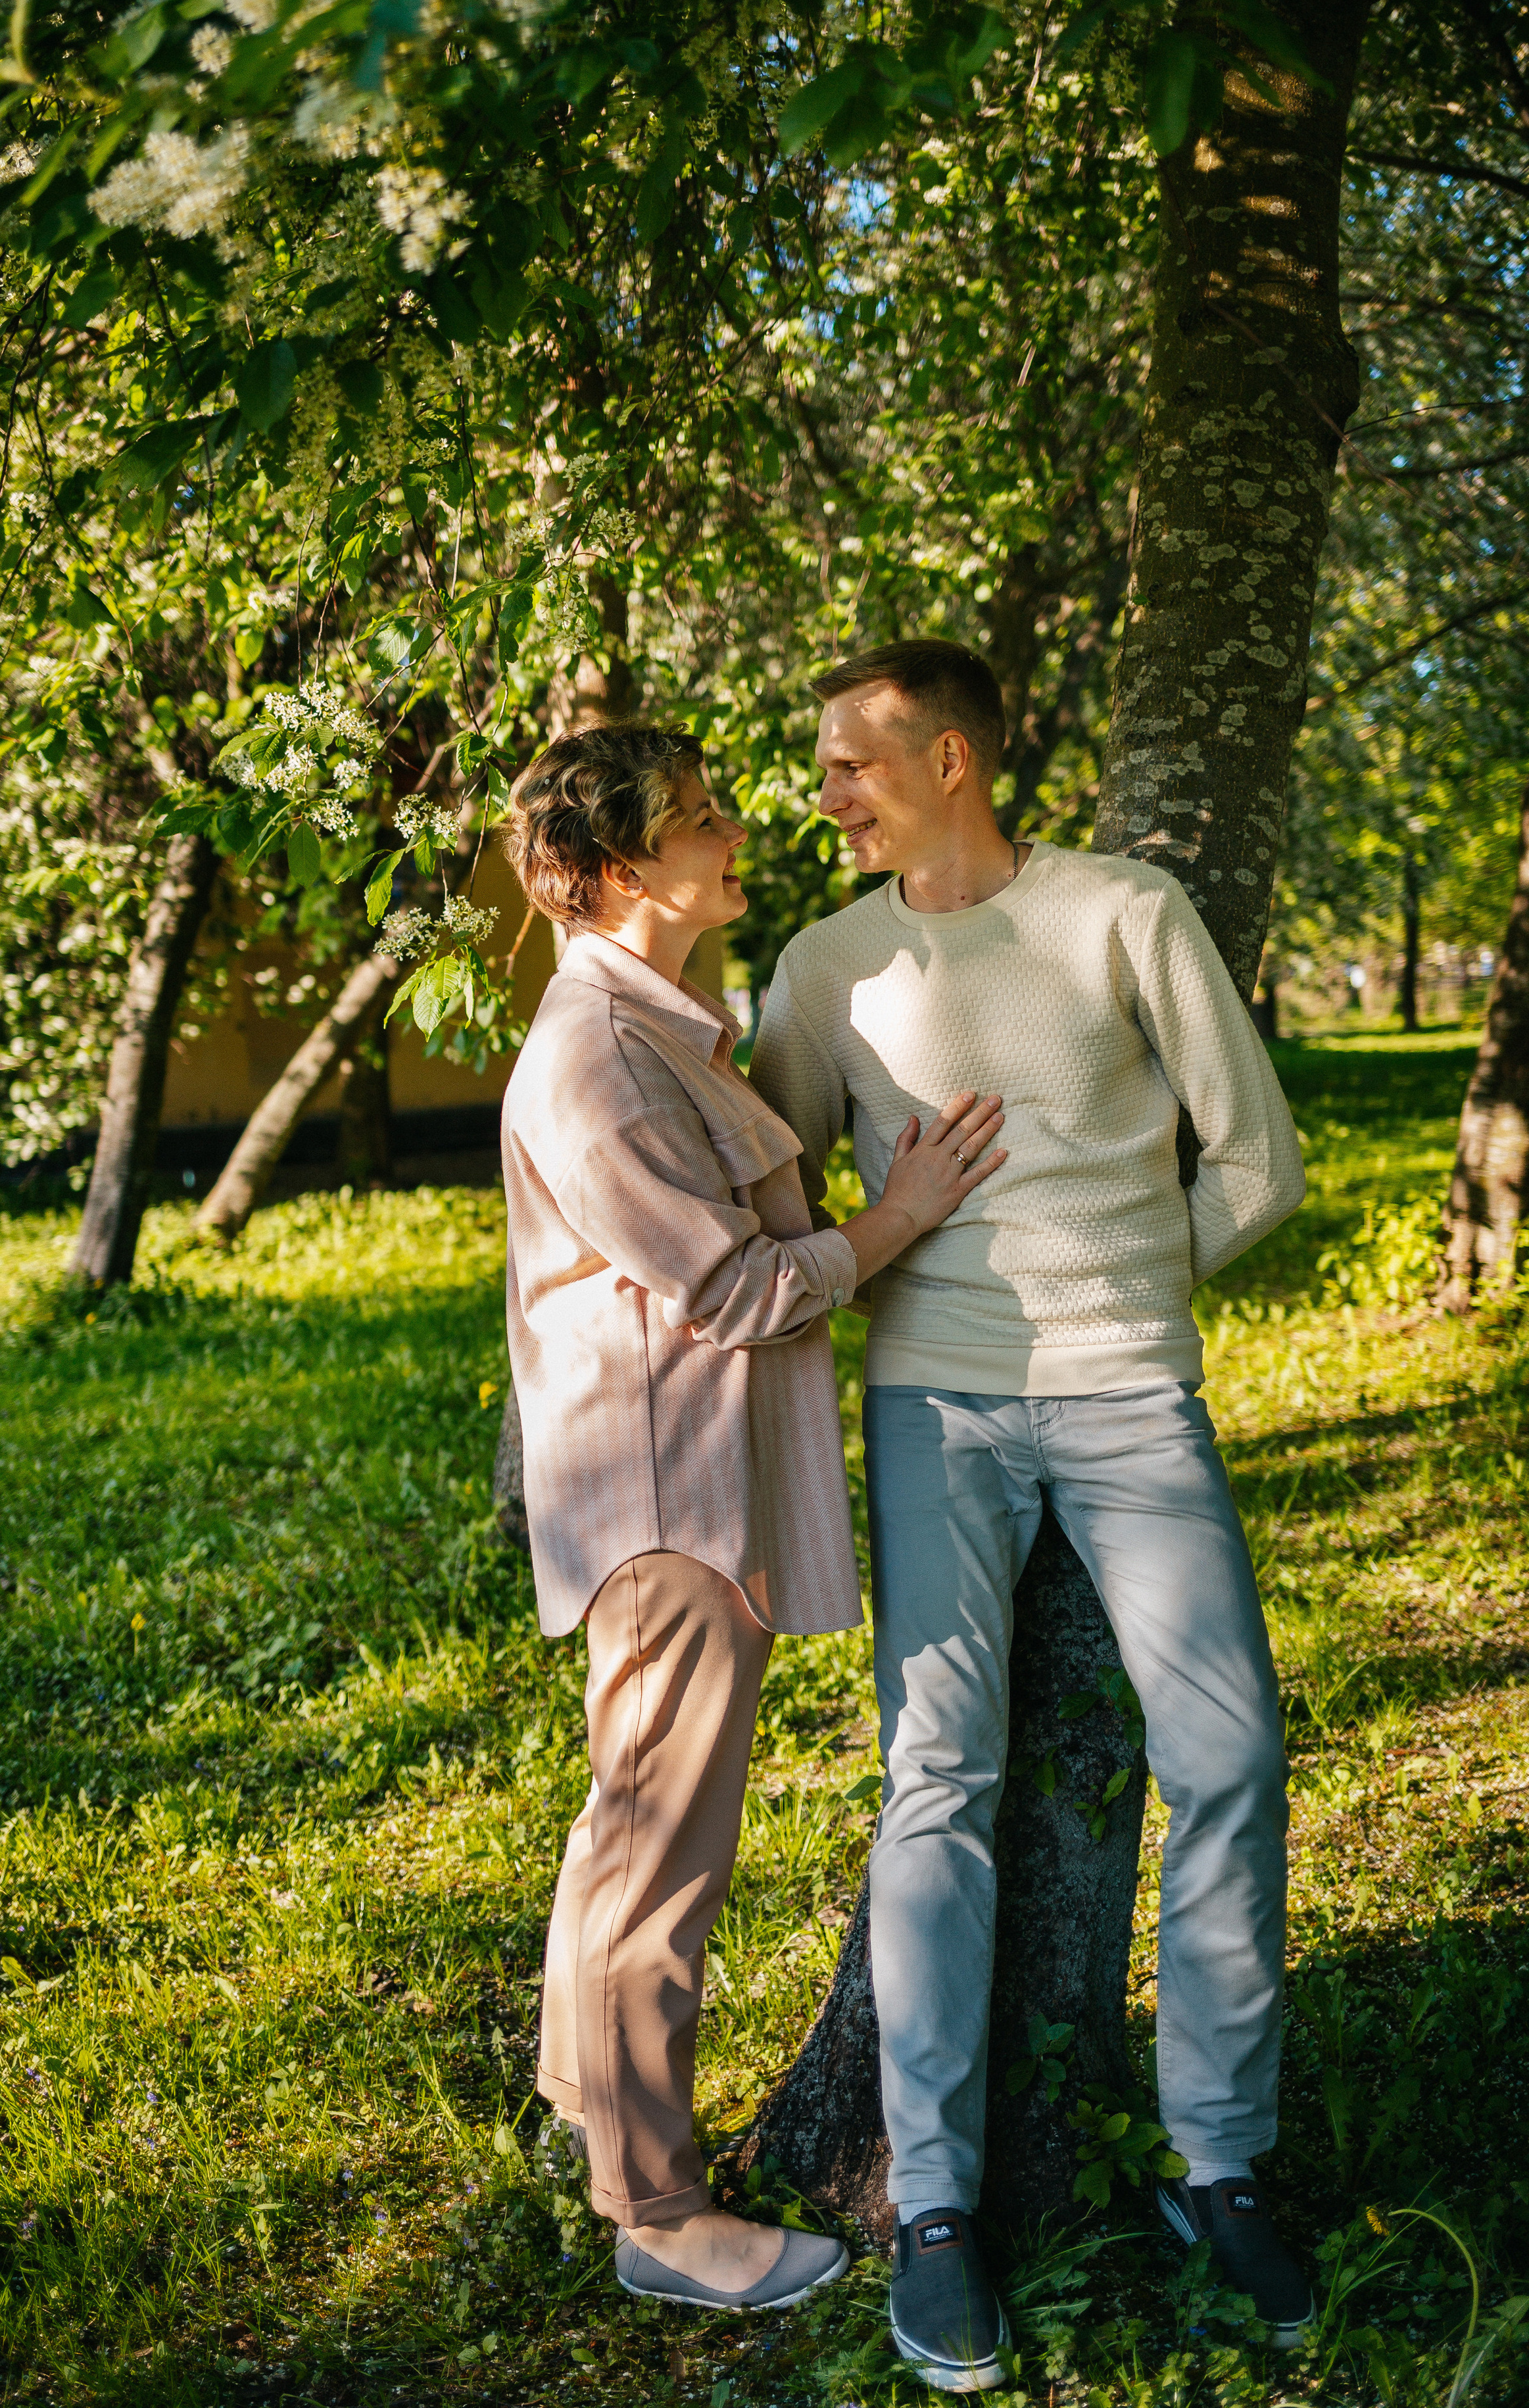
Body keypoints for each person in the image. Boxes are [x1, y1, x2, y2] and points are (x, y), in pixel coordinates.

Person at [748, 640, 1309, 2391]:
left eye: (850, 763)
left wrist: (1131, 1288)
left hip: (1134, 1395)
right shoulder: (827, 968)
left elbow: (1259, 1160)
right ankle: (934, 2211)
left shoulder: (1123, 916)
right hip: (932, 1401)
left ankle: (1222, 2171)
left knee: (1230, 1756)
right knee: (940, 1777)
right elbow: (766, 1204)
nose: (824, 793)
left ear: (955, 761)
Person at [500, 721, 1008, 2315]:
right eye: (699, 820)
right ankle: (652, 2211)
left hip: (683, 1485)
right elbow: (730, 1290)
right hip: (666, 1504)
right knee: (659, 1856)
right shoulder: (591, 1051)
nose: (733, 833)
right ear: (610, 871)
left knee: (627, 1832)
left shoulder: (666, 1025)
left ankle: (586, 2097)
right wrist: (899, 1220)